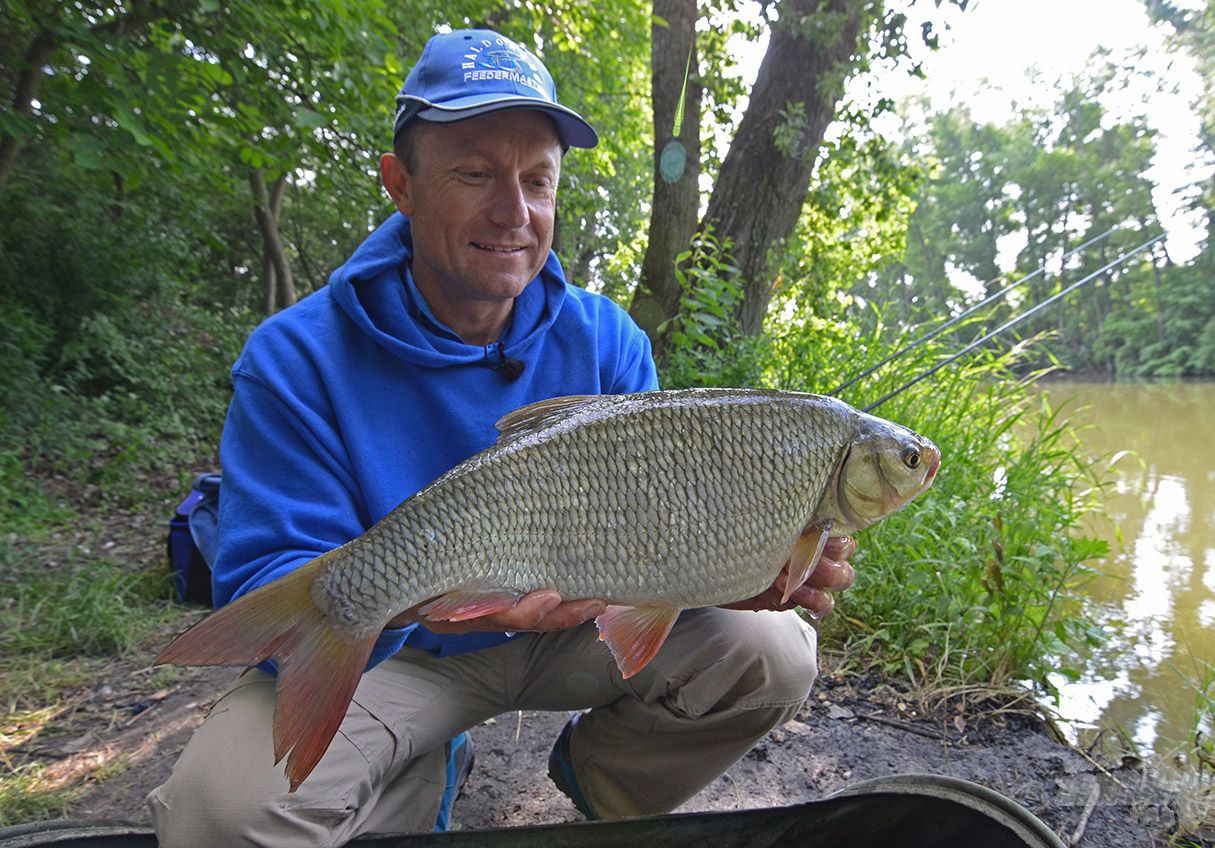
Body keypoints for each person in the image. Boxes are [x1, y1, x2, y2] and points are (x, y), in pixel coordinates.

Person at [147, 27, 854, 847]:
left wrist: (741, 571)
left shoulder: (607, 341)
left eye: (536, 180)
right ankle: (419, 763)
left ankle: (604, 781)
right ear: (401, 184)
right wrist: (425, 609)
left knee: (772, 648)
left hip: (577, 633)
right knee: (217, 816)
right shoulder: (294, 358)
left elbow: (656, 556)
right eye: (476, 173)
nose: (513, 213)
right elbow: (265, 573)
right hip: (401, 651)